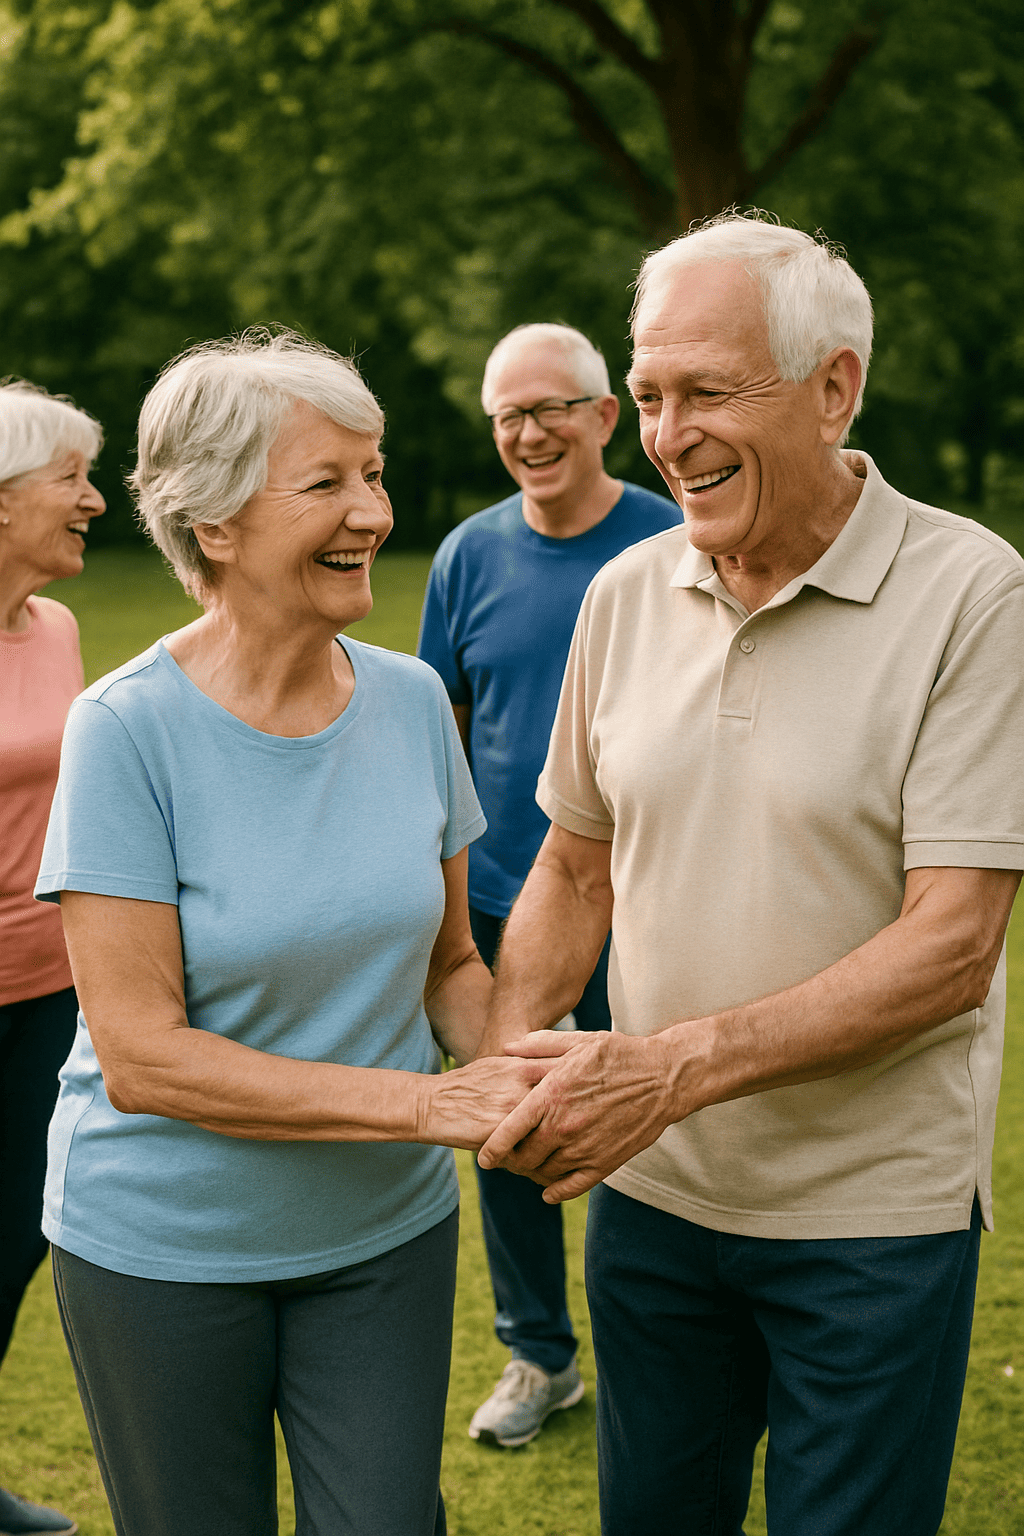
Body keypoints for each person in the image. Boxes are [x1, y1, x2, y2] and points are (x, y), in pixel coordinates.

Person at [474, 215, 1024, 1534]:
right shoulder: (622, 592)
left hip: (872, 1223)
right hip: (654, 1208)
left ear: (836, 387)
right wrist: (512, 1052)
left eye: (710, 391)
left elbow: (952, 945)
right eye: (652, 394)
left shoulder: (974, 594)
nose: (669, 434)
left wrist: (669, 1067)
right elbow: (574, 862)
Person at [33, 330, 543, 1536]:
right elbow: (146, 1057)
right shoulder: (124, 731)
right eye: (328, 483)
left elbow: (451, 971)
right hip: (160, 1250)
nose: (370, 508)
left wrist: (528, 1065)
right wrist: (429, 1108)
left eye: (372, 473)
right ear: (213, 525)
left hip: (382, 1235)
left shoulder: (414, 701)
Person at [417, 322, 679, 1446]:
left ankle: (662, 1349)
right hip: (495, 905)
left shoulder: (672, 537)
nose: (529, 434)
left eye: (552, 409)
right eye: (508, 416)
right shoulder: (467, 554)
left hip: (645, 900)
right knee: (508, 1127)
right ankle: (537, 1354)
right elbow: (444, 732)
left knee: (654, 1123)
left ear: (605, 417)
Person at [0, 379, 106, 1536]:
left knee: (12, 1240)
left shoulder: (60, 627)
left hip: (51, 989)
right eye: (69, 479)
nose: (92, 499)